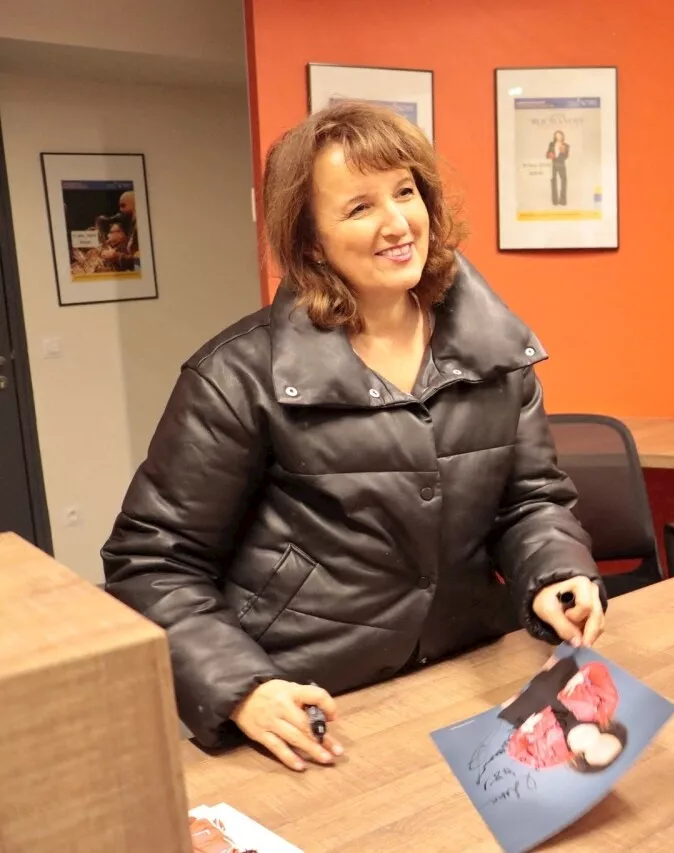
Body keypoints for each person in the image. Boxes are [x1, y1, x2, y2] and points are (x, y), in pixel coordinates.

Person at [102, 100, 606, 773]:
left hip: (469, 681)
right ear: (311, 240)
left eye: (405, 192)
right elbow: (152, 561)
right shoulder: (238, 376)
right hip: (312, 706)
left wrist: (555, 570)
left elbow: (530, 500)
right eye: (360, 207)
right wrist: (242, 688)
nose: (398, 223)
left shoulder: (495, 351)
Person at [499, 654, 627, 772]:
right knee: (541, 656)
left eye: (596, 752)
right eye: (604, 742)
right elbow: (599, 672)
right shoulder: (604, 706)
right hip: (561, 685)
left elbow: (518, 753)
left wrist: (523, 732)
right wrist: (582, 675)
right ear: (608, 730)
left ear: (582, 759)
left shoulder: (555, 757)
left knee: (503, 693)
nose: (596, 745)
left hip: (532, 717)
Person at [546, 130, 570, 206]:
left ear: (562, 136)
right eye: (556, 135)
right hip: (553, 164)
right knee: (553, 181)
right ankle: (555, 201)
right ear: (555, 136)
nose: (558, 136)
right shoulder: (551, 144)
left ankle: (562, 201)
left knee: (564, 181)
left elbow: (566, 157)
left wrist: (563, 151)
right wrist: (551, 155)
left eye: (559, 135)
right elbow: (547, 155)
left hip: (561, 164)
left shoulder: (566, 145)